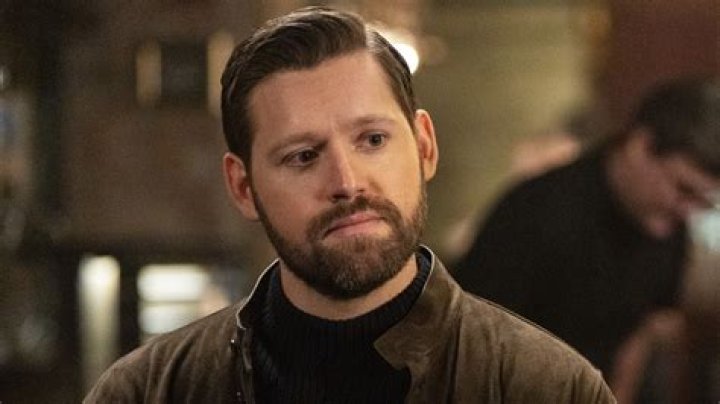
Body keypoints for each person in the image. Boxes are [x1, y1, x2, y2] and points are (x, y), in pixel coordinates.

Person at [84, 6, 615, 403]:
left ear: (424, 147)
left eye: (373, 140)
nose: (347, 182)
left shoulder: (544, 387)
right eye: (303, 156)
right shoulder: (150, 390)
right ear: (243, 187)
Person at [454, 76, 720, 400]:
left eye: (702, 202)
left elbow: (640, 333)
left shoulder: (668, 226)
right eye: (683, 189)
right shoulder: (537, 212)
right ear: (640, 146)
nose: (688, 211)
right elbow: (470, 350)